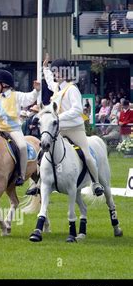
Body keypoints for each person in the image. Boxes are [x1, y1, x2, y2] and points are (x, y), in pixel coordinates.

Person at [43, 56, 105, 196]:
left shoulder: (72, 89)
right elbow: (48, 82)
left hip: (75, 128)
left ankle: (95, 183)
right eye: (53, 72)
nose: (54, 74)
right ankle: (39, 182)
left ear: (64, 73)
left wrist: (58, 117)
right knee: (44, 150)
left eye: (56, 72)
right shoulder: (57, 87)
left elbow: (77, 109)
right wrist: (45, 68)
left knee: (87, 155)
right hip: (60, 128)